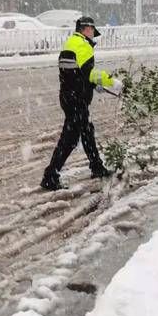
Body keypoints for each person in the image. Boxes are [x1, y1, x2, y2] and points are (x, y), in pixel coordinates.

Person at [40, 17, 115, 191]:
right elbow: (90, 72)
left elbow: (74, 73)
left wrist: (92, 85)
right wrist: (110, 81)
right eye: (91, 29)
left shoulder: (70, 43)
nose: (92, 33)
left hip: (68, 96)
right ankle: (50, 176)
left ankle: (96, 166)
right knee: (69, 139)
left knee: (87, 132)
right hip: (77, 100)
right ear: (85, 29)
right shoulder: (83, 45)